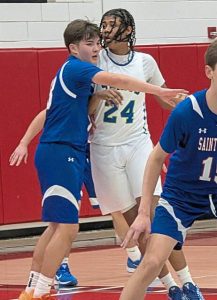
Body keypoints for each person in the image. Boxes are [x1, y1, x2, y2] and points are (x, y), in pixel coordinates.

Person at [16, 19, 185, 300]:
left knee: (56, 227)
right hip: (61, 151)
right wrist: (158, 90)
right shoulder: (78, 69)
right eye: (88, 44)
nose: (95, 49)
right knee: (69, 229)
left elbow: (49, 112)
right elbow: (118, 79)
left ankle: (33, 288)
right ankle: (41, 292)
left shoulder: (74, 75)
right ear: (73, 48)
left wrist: (24, 142)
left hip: (64, 151)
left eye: (97, 43)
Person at [89, 8, 195, 299]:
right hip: (103, 148)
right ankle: (170, 287)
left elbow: (163, 99)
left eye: (113, 24)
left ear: (128, 29)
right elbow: (83, 106)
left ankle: (188, 282)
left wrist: (179, 104)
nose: (106, 29)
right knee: (136, 223)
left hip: (137, 143)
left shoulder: (145, 61)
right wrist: (96, 97)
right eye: (104, 24)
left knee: (159, 218)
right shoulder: (96, 60)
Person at [119, 39, 217, 300]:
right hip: (181, 196)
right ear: (209, 71)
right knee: (151, 262)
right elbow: (155, 158)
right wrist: (143, 212)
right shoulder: (188, 111)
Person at [9, 111, 99, 287]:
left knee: (62, 225)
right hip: (61, 154)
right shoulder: (74, 88)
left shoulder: (92, 93)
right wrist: (23, 142)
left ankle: (35, 286)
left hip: (80, 154)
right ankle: (46, 279)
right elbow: (46, 113)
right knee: (65, 224)